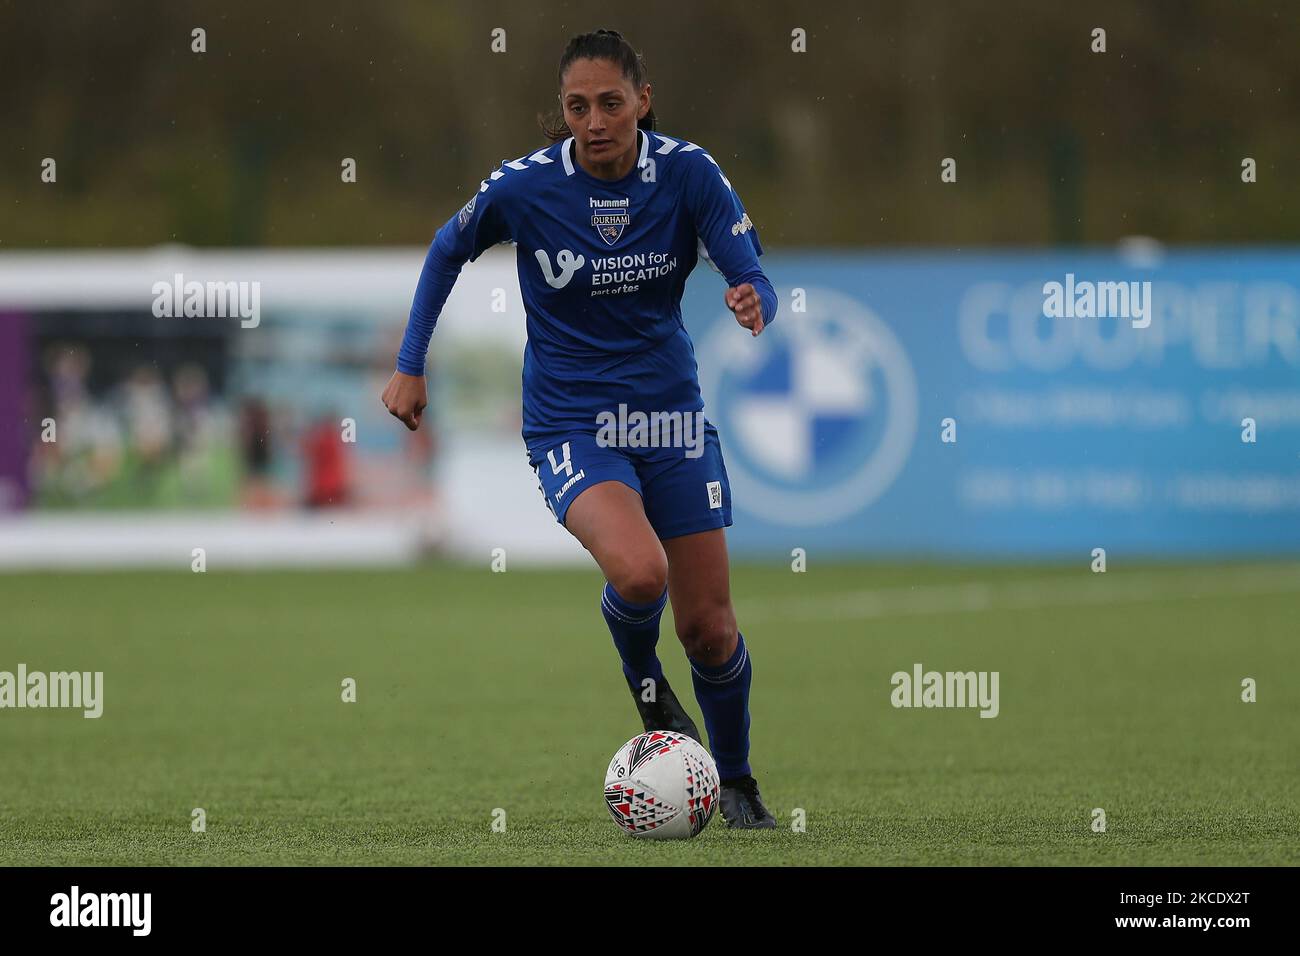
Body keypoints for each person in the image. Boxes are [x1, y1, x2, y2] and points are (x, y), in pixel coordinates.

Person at [383, 29, 778, 828]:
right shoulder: (527, 188)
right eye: (577, 106)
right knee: (639, 574)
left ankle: (736, 783)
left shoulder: (688, 173)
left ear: (643, 100)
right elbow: (446, 248)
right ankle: (647, 688)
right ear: (560, 113)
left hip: (669, 417)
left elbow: (751, 268)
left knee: (709, 625)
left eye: (609, 102)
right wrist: (410, 361)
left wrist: (752, 297)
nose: (594, 120)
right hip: (570, 421)